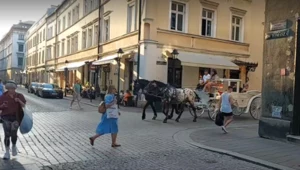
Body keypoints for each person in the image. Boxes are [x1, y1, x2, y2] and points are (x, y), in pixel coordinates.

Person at [0, 80, 26, 160]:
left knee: (14, 134)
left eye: (13, 88)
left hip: (16, 118)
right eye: (9, 89)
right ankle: (7, 152)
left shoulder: (19, 95)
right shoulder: (3, 96)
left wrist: (19, 101)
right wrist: (2, 106)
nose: (11, 90)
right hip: (5, 117)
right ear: (7, 88)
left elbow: (24, 105)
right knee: (7, 135)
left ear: (15, 88)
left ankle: (14, 146)